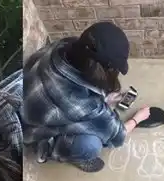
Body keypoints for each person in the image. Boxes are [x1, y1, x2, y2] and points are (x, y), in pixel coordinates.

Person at [23, 21, 151, 173]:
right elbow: (116, 135)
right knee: (91, 144)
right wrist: (137, 118)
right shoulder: (81, 103)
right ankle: (70, 155)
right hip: (35, 133)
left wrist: (107, 98)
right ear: (99, 71)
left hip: (34, 102)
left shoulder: (65, 45)